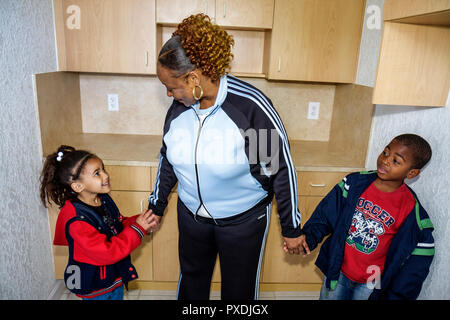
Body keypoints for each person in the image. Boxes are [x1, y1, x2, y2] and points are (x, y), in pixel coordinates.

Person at [147, 14, 303, 300]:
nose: (169, 94)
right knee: (192, 284)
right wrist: (156, 205)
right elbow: (168, 158)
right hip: (192, 217)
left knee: (239, 293)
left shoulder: (248, 108)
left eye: (171, 86)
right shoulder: (180, 109)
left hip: (243, 220)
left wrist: (291, 227)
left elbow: (279, 169)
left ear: (193, 78)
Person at [299, 134, 435, 300]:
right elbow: (326, 215)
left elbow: (418, 262)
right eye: (386, 153)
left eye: (396, 161)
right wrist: (308, 238)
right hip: (339, 269)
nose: (385, 160)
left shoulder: (412, 212)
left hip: (372, 281)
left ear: (412, 173)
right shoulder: (354, 183)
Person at [40, 145, 158, 300]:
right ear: (78, 186)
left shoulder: (102, 199)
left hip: (113, 276)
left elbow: (117, 225)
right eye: (97, 173)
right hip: (94, 285)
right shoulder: (77, 220)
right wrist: (137, 229)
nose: (105, 175)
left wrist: (140, 222)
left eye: (103, 169)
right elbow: (106, 252)